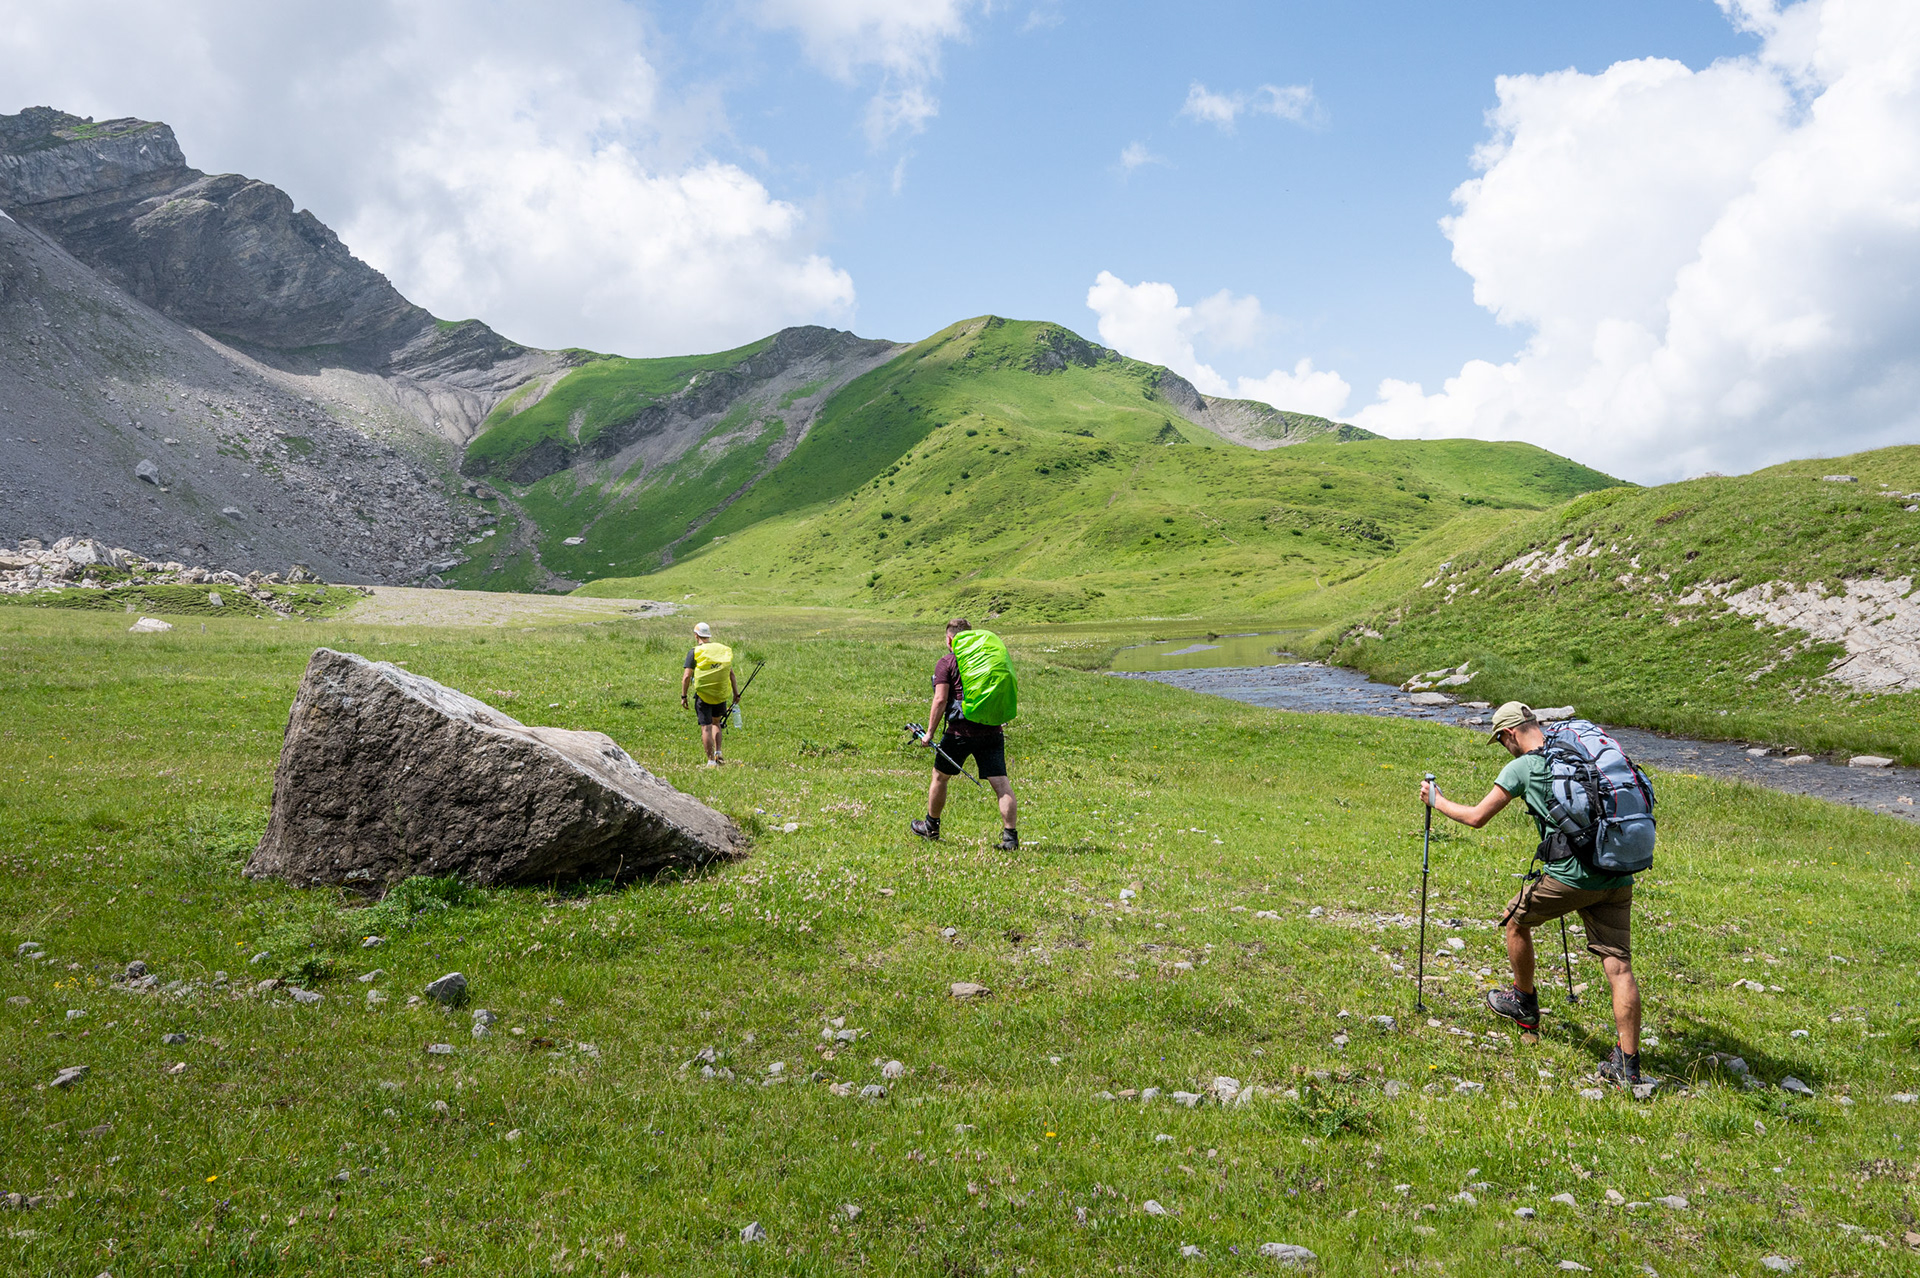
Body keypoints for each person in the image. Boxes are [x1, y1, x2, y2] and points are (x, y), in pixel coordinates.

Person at [1418, 701, 1643, 1087]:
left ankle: (1524, 1001)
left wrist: (1436, 800)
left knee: (1514, 921)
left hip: (1573, 877)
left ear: (1509, 734)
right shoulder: (1573, 751)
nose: (1504, 747)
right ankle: (1628, 1063)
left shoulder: (1523, 766)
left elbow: (1476, 818)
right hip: (1617, 872)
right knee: (1619, 965)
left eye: (1501, 740)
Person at [911, 618, 1019, 850]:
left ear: (950, 639)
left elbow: (940, 700)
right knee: (1001, 784)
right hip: (992, 729)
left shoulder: (947, 662)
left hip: (960, 731)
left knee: (940, 777)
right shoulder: (986, 659)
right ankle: (1010, 838)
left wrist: (928, 733)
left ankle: (931, 827)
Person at [680, 622, 739, 767]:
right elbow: (731, 674)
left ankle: (711, 761)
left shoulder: (694, 652)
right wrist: (736, 694)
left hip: (703, 694)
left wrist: (684, 696)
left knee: (705, 726)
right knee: (716, 722)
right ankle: (718, 752)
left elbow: (687, 676)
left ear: (696, 635)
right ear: (709, 635)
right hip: (720, 693)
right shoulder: (721, 649)